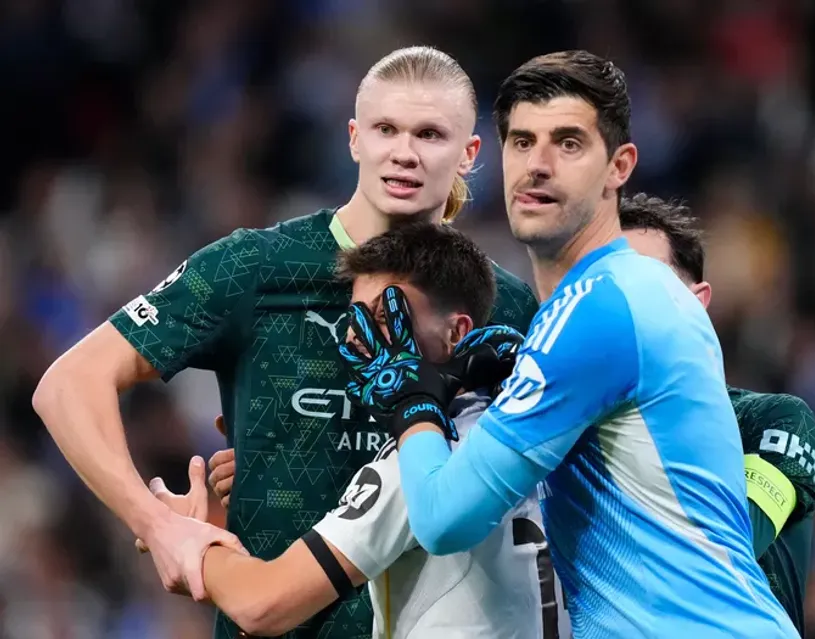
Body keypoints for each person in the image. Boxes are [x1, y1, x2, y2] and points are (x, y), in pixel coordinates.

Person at [31, 46, 539, 639]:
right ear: (354, 139)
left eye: (429, 134)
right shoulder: (257, 266)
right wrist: (160, 526)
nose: (404, 152)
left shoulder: (504, 307)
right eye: (385, 129)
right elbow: (68, 385)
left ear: (470, 153)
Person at [336, 50, 799, 637]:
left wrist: (412, 399)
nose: (538, 165)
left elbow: (443, 519)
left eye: (569, 143)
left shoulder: (597, 309)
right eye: (521, 142)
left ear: (619, 167)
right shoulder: (637, 288)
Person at [150, 222, 569, 638]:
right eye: (357, 319)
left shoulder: (420, 464)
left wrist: (184, 539)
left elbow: (263, 605)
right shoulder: (539, 427)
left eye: (387, 317)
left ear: (457, 332)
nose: (361, 338)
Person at [619, 192, 815, 635]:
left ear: (697, 301)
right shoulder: (572, 434)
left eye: (648, 285)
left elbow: (724, 550)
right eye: (608, 289)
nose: (626, 307)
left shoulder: (773, 422)